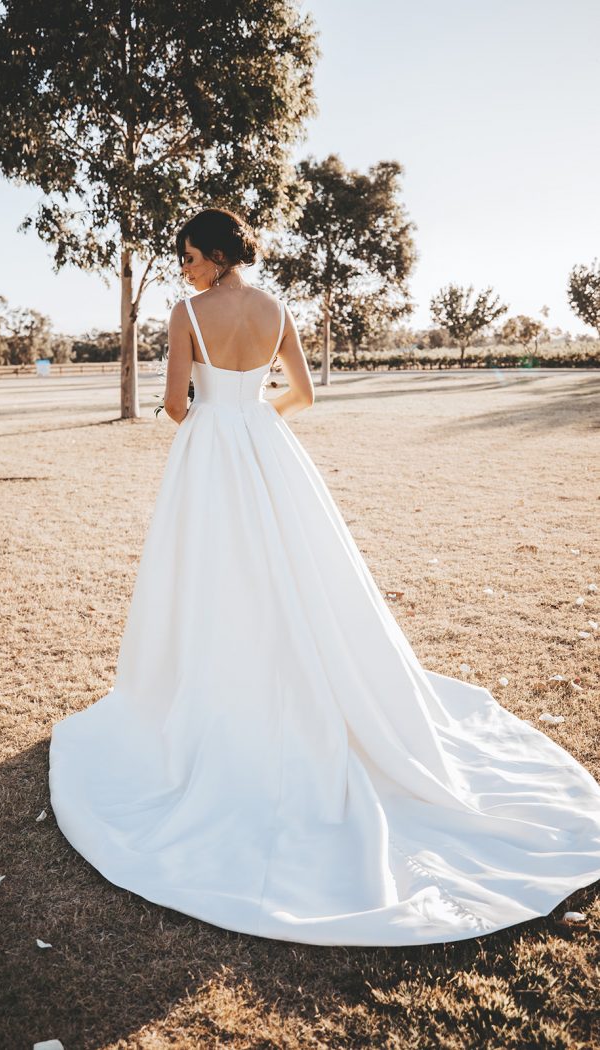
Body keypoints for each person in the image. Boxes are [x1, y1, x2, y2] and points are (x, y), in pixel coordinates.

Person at [49, 207, 600, 947]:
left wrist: (219, 424)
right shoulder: (277, 308)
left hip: (212, 455)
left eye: (187, 255)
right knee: (297, 571)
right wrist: (254, 421)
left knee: (213, 574)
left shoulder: (186, 313)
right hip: (270, 451)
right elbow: (302, 394)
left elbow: (178, 403)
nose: (182, 268)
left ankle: (214, 681)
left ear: (213, 255)